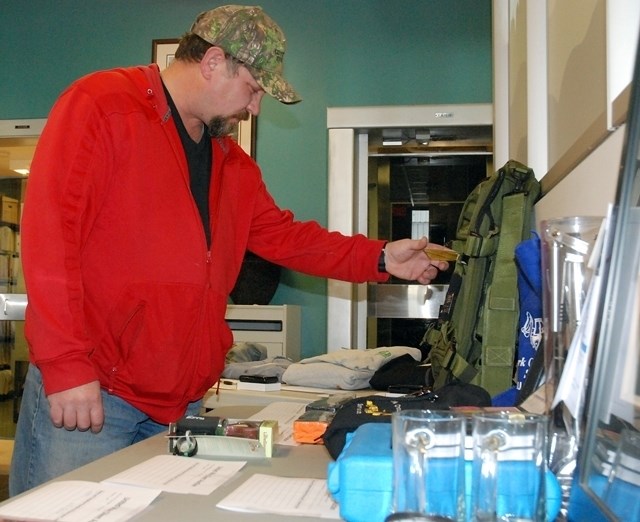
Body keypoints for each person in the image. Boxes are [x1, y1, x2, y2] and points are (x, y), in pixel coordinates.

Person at [10, 5, 449, 495]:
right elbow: (51, 238)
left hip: (180, 404)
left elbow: (286, 237)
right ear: (214, 61)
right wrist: (68, 366)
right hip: (94, 394)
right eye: (255, 89)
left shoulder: (231, 162)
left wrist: (382, 257)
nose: (255, 107)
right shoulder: (102, 104)